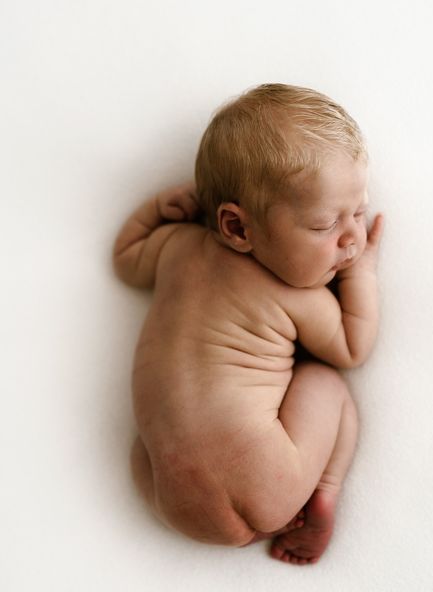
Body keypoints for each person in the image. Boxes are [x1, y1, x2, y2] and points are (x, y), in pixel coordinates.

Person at [113, 83, 384, 565]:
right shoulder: (294, 293)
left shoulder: (174, 247)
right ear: (238, 228)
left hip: (168, 498)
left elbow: (125, 258)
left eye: (358, 213)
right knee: (326, 382)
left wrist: (156, 210)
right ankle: (323, 489)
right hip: (273, 484)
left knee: (145, 447)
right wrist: (362, 275)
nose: (352, 239)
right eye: (325, 225)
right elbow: (352, 346)